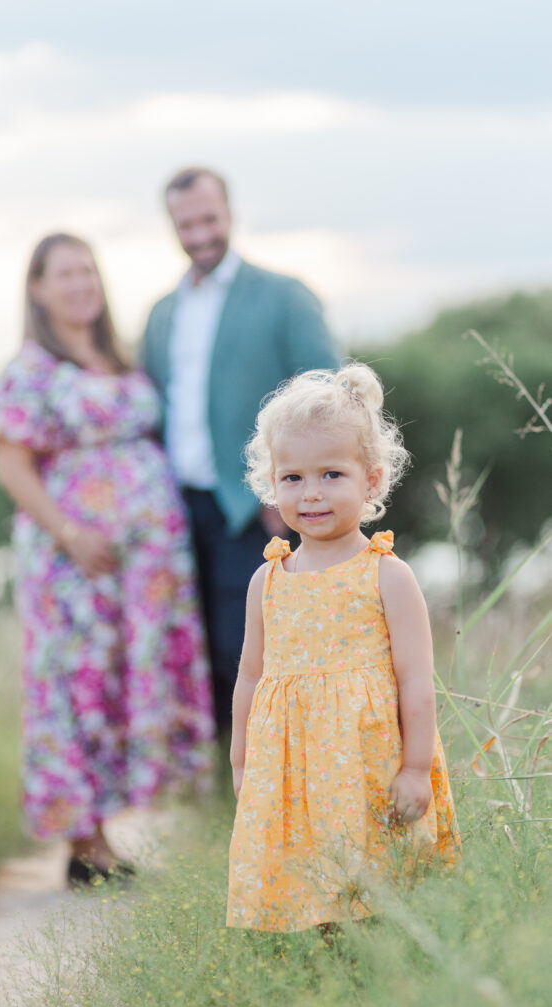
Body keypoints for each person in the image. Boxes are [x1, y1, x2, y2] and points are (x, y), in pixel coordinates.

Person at [0, 233, 215, 887]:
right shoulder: (30, 367)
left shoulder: (116, 356)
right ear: (37, 288)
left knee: (121, 684)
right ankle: (86, 846)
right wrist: (68, 532)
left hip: (143, 570)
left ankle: (110, 835)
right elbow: (11, 463)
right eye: (65, 274)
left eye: (88, 271)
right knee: (75, 686)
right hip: (73, 564)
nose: (81, 283)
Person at [226, 363, 460, 932]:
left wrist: (414, 768)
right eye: (293, 478)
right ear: (271, 483)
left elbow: (416, 682)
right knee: (310, 891)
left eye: (332, 474)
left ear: (372, 480)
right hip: (293, 772)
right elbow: (251, 681)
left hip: (368, 764)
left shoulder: (387, 575)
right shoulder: (269, 580)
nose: (311, 494)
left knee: (383, 895)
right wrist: (240, 763)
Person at [142, 167, 339, 727]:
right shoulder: (162, 312)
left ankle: (268, 782)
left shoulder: (283, 297)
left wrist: (289, 493)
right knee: (195, 651)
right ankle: (220, 783)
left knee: (251, 650)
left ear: (229, 212)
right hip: (178, 508)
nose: (200, 234)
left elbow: (326, 397)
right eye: (186, 224)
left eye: (209, 219)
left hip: (256, 509)